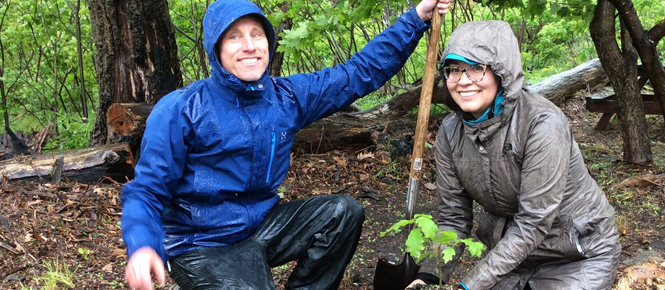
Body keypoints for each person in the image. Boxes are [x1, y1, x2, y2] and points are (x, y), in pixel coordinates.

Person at [119, 0, 450, 289]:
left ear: (268, 42)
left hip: (261, 225)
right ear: (216, 49)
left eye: (256, 34)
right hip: (201, 241)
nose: (249, 45)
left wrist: (416, 18)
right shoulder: (182, 108)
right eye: (234, 36)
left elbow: (357, 74)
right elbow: (147, 189)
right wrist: (142, 243)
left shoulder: (286, 97)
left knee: (343, 212)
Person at [406, 21, 621, 290]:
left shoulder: (541, 124)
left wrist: (468, 286)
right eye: (454, 70)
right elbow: (453, 218)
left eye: (476, 69)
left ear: (500, 72)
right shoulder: (450, 132)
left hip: (577, 254)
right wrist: (429, 276)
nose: (463, 81)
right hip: (511, 258)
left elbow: (534, 221)